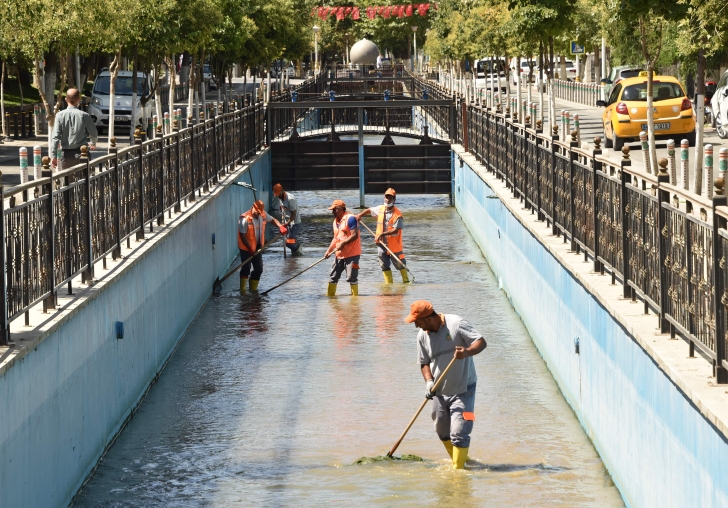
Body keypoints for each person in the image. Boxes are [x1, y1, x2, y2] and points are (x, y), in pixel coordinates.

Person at [404, 300, 487, 469]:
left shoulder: (456, 323)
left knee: (460, 430)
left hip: (464, 387)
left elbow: (481, 342)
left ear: (428, 318)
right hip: (439, 390)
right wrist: (428, 382)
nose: (416, 326)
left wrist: (467, 352)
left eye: (417, 322)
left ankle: (458, 471)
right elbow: (424, 363)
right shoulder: (422, 336)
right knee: (441, 429)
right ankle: (462, 460)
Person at [355, 188, 408, 284]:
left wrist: (383, 234)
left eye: (390, 198)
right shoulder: (380, 209)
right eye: (386, 197)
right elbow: (369, 210)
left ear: (394, 199)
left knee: (400, 265)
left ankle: (406, 282)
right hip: (381, 243)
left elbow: (396, 229)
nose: (388, 199)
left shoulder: (397, 215)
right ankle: (389, 285)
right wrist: (360, 215)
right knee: (384, 265)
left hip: (394, 245)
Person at [238, 200, 285, 293]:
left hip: (257, 246)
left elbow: (273, 220)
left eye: (259, 213)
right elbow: (242, 236)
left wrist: (280, 226)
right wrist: (250, 249)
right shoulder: (244, 219)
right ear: (253, 208)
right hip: (245, 247)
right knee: (246, 268)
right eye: (256, 213)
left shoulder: (262, 214)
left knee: (259, 269)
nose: (257, 215)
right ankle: (243, 291)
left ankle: (253, 290)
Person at [51, 88, 98, 169]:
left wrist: (54, 155)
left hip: (66, 155)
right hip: (82, 154)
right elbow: (93, 133)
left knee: (68, 180)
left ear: (66, 99)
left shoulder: (59, 115)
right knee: (84, 179)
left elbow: (55, 137)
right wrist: (93, 143)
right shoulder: (84, 115)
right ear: (79, 99)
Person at [324, 199, 361, 297]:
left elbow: (355, 235)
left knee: (351, 277)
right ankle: (330, 299)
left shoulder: (351, 219)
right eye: (332, 210)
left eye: (334, 209)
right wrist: (329, 251)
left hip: (352, 253)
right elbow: (335, 238)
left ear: (341, 209)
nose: (332, 212)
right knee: (333, 276)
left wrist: (343, 243)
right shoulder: (335, 222)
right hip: (339, 254)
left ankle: (355, 301)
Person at [273, 183, 303, 256]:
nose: (278, 196)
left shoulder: (290, 199)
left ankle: (299, 252)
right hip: (288, 223)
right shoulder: (280, 198)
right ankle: (294, 258)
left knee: (289, 243)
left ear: (282, 190)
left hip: (295, 223)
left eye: (278, 194)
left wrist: (286, 224)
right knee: (288, 241)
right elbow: (284, 209)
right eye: (276, 195)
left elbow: (293, 215)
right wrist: (282, 209)